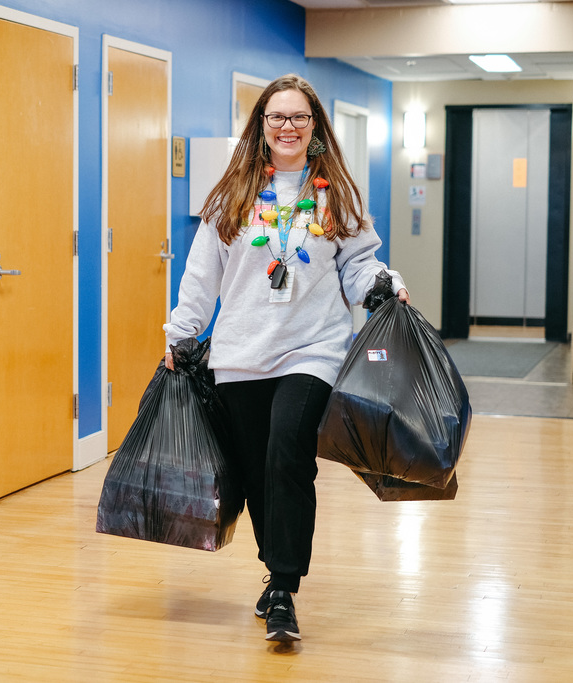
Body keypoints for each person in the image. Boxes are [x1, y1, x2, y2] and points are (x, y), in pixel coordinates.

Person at [163, 74, 409, 643]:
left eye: (300, 117)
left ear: (315, 127)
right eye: (278, 117)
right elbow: (202, 276)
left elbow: (358, 263)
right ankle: (274, 565)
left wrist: (381, 285)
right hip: (240, 355)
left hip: (312, 350)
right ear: (261, 126)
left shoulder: (336, 194)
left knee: (287, 453)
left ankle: (283, 584)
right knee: (253, 471)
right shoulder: (231, 195)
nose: (288, 127)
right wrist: (182, 332)